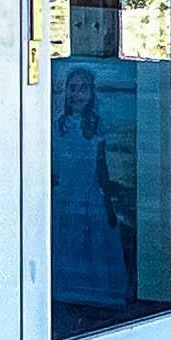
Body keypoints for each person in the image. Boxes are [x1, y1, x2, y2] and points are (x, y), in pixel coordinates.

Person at [51, 66, 130, 308]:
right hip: (64, 193)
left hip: (90, 192)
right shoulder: (58, 125)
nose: (77, 94)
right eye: (72, 89)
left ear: (91, 93)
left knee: (96, 242)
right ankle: (65, 289)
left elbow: (101, 164)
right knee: (68, 240)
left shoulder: (96, 126)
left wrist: (107, 198)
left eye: (83, 89)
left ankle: (98, 293)